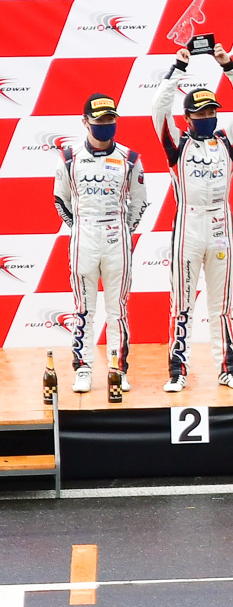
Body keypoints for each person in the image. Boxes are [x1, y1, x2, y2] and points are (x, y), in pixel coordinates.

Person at [152, 43, 233, 392]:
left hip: (221, 227)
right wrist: (177, 69)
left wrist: (228, 65)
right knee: (182, 304)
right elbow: (158, 108)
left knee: (221, 305)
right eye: (200, 113)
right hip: (188, 227)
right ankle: (177, 371)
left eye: (212, 111)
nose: (207, 117)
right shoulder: (176, 144)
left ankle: (227, 369)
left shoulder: (227, 141)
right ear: (187, 118)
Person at [53, 94, 147, 394]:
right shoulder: (69, 157)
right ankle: (83, 369)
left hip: (116, 236)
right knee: (84, 308)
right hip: (84, 237)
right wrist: (80, 228)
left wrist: (124, 230)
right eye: (100, 120)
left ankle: (117, 369)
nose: (105, 124)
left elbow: (139, 203)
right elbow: (60, 200)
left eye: (110, 119)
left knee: (118, 309)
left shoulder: (130, 158)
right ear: (85, 122)